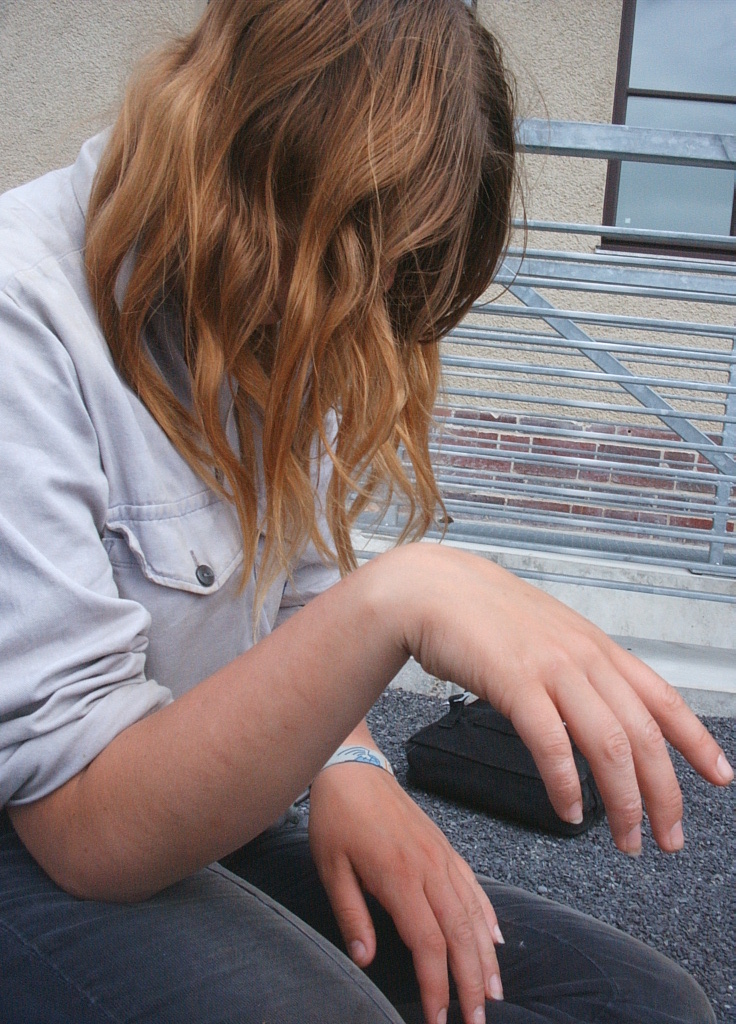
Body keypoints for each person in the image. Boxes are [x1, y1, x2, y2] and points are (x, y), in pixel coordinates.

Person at [0, 2, 730, 1022]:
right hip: (52, 833)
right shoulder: (22, 316)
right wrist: (406, 593)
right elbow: (83, 830)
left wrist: (350, 763)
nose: (368, 316)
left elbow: (294, 596)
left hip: (200, 796)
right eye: (362, 263)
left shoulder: (274, 289)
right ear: (256, 173)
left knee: (642, 1003)